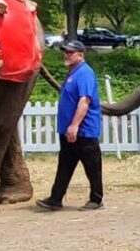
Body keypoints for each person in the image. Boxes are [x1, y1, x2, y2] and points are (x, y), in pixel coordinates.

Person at [37, 38, 104, 210]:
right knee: (65, 165)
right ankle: (56, 198)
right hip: (69, 131)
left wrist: (74, 125)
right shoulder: (73, 72)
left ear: (80, 55)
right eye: (65, 52)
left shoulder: (84, 73)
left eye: (70, 52)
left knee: (92, 166)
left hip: (84, 130)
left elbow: (84, 101)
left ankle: (96, 200)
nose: (66, 55)